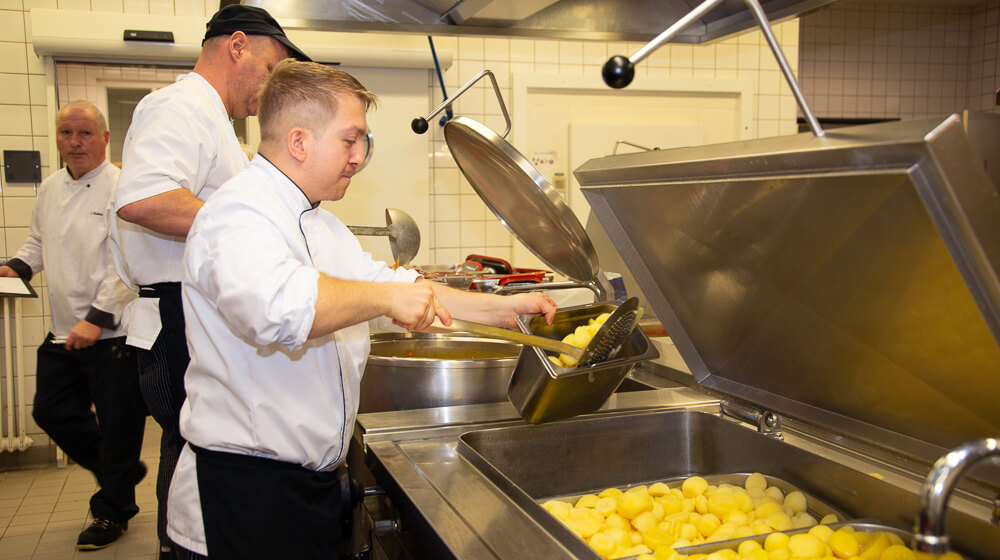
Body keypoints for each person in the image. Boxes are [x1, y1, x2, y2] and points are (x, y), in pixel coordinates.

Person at [164, 60, 557, 559]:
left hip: (309, 485)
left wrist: (505, 309)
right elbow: (278, 310)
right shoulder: (237, 214)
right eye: (351, 140)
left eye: (362, 143)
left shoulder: (321, 224)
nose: (359, 157)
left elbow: (391, 284)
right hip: (244, 490)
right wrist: (386, 298)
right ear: (300, 141)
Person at [110, 6, 310, 558]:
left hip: (188, 312)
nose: (269, 90)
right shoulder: (179, 106)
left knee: (193, 450)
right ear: (237, 45)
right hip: (174, 317)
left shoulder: (216, 121)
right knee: (193, 450)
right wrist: (249, 225)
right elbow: (143, 199)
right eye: (269, 70)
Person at [0, 101, 147, 551]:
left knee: (120, 426)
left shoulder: (124, 188)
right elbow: (39, 240)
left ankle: (112, 510)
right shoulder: (49, 188)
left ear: (104, 138)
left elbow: (127, 265)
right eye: (66, 133)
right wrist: (18, 267)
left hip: (113, 333)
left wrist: (96, 320)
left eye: (84, 133)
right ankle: (118, 471)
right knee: (50, 411)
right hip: (64, 329)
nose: (75, 142)